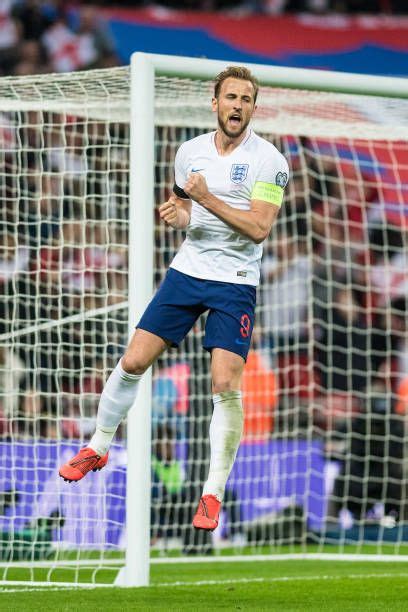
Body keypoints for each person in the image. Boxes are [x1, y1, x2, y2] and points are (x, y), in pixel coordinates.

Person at [59, 65, 289, 532]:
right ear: (215, 102)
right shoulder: (190, 152)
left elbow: (259, 228)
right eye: (231, 98)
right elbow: (185, 208)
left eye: (246, 99)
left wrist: (204, 199)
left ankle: (211, 493)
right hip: (187, 271)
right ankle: (97, 446)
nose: (237, 107)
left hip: (235, 280)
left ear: (253, 107)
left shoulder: (271, 161)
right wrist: (180, 213)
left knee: (224, 385)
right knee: (132, 361)